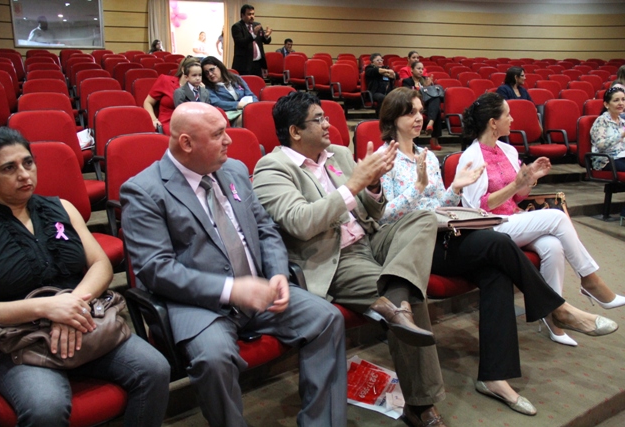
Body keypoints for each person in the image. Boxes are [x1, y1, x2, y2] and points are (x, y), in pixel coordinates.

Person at [377, 87, 617, 414]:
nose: (420, 117)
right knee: (499, 243)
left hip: (444, 235)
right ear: (393, 119)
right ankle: (557, 309)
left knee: (496, 274)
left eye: (421, 111)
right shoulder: (384, 159)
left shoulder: (428, 157)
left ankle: (494, 377)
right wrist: (417, 189)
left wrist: (455, 188)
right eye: (411, 112)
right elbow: (384, 217)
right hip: (414, 247)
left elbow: (438, 206)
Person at [120, 102, 347, 427]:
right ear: (186, 143)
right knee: (214, 359)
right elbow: (157, 270)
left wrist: (278, 273)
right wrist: (231, 290)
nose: (229, 140)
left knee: (326, 318)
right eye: (218, 134)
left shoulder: (235, 170)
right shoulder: (144, 191)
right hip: (200, 304)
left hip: (260, 290)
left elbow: (266, 229)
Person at [254, 91, 449, 427]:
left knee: (423, 220)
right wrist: (353, 186)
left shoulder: (340, 154)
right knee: (412, 293)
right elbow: (301, 222)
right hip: (336, 257)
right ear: (295, 131)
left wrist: (372, 187)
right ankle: (421, 406)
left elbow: (373, 212)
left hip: (371, 239)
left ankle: (394, 300)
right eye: (318, 119)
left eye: (326, 117)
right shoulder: (272, 168)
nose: (327, 124)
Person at [0, 126, 170, 426]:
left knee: (154, 369)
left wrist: (72, 305)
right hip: (15, 340)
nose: (24, 174)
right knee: (46, 407)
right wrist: (46, 308)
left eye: (28, 162)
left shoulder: (61, 208)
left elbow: (101, 265)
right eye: (9, 168)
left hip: (81, 319)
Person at [456, 92, 624, 345]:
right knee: (556, 218)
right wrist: (515, 185)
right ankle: (590, 279)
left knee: (553, 246)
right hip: (488, 227)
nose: (512, 119)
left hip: (513, 219)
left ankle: (553, 318)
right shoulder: (470, 157)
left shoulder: (508, 150)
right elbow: (479, 207)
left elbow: (519, 197)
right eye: (507, 115)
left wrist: (531, 178)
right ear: (493, 122)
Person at [143, 55, 199, 135]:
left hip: (191, 123)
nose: (197, 77)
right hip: (169, 123)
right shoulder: (165, 80)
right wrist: (153, 119)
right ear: (183, 69)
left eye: (199, 74)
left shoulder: (198, 88)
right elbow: (148, 102)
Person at [201, 56, 258, 127]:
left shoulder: (236, 78)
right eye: (206, 73)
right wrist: (238, 105)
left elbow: (250, 95)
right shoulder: (207, 87)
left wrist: (254, 105)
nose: (210, 74)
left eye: (212, 69)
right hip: (228, 115)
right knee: (245, 117)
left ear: (219, 67)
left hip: (245, 109)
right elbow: (217, 103)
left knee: (258, 113)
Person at [401, 60, 443, 151]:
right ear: (412, 70)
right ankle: (433, 138)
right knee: (437, 110)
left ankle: (430, 124)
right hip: (413, 107)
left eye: (422, 69)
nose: (421, 71)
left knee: (436, 100)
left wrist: (428, 86)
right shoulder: (407, 81)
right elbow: (407, 96)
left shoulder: (426, 80)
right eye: (418, 68)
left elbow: (432, 94)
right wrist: (423, 88)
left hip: (427, 107)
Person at [590, 86, 625, 172]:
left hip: (622, 156)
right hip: (606, 160)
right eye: (616, 100)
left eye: (623, 100)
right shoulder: (602, 121)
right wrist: (621, 135)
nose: (621, 103)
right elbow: (600, 145)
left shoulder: (622, 122)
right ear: (606, 104)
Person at [231, 4, 272, 76]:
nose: (252, 16)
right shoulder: (237, 27)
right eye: (249, 14)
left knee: (258, 82)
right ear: (242, 15)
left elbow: (265, 41)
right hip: (244, 64)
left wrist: (266, 36)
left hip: (258, 63)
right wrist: (253, 35)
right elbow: (240, 43)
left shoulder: (257, 25)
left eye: (253, 14)